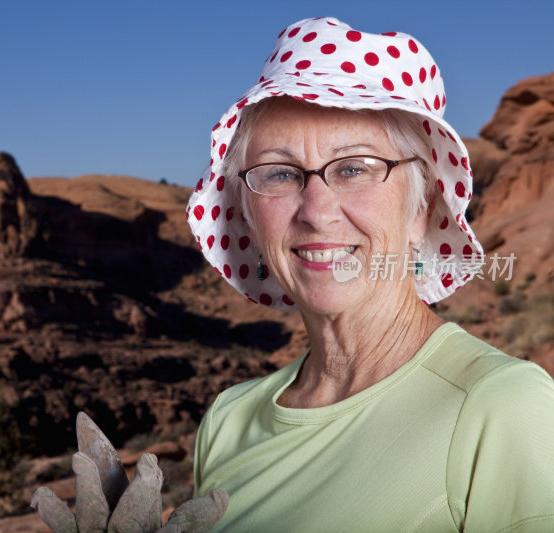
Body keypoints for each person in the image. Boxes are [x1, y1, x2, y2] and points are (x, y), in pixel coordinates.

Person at [187, 17, 554, 532]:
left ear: (422, 207)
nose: (316, 211)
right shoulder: (227, 420)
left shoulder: (501, 407)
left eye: (355, 168)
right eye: (280, 173)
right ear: (246, 211)